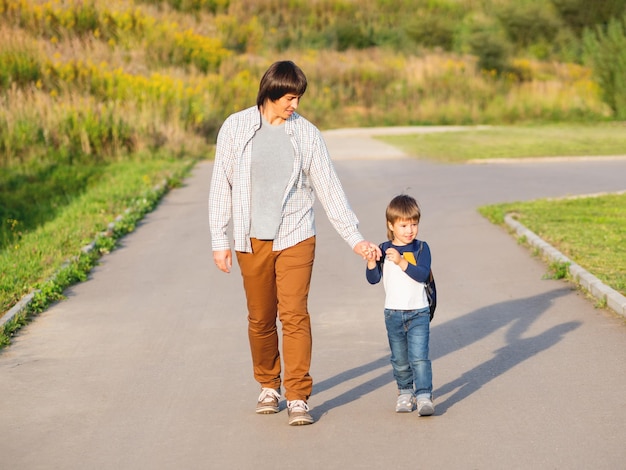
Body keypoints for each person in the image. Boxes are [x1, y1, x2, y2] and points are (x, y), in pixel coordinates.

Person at [208, 60, 381, 426]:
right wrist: (218, 239)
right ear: (270, 92)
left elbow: (329, 188)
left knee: (294, 315)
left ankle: (298, 395)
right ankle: (269, 385)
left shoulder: (307, 134)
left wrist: (354, 238)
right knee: (260, 317)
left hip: (296, 235)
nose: (295, 106)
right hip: (249, 240)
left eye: (298, 98)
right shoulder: (236, 127)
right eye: (290, 97)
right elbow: (220, 187)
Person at [365, 194, 435, 416]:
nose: (409, 230)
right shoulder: (384, 249)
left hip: (418, 312)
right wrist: (370, 261)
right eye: (404, 225)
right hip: (393, 313)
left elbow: (422, 274)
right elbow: (373, 278)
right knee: (400, 359)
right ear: (391, 225)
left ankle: (424, 395)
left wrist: (402, 261)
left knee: (419, 358)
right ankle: (405, 393)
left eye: (414, 224)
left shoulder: (421, 248)